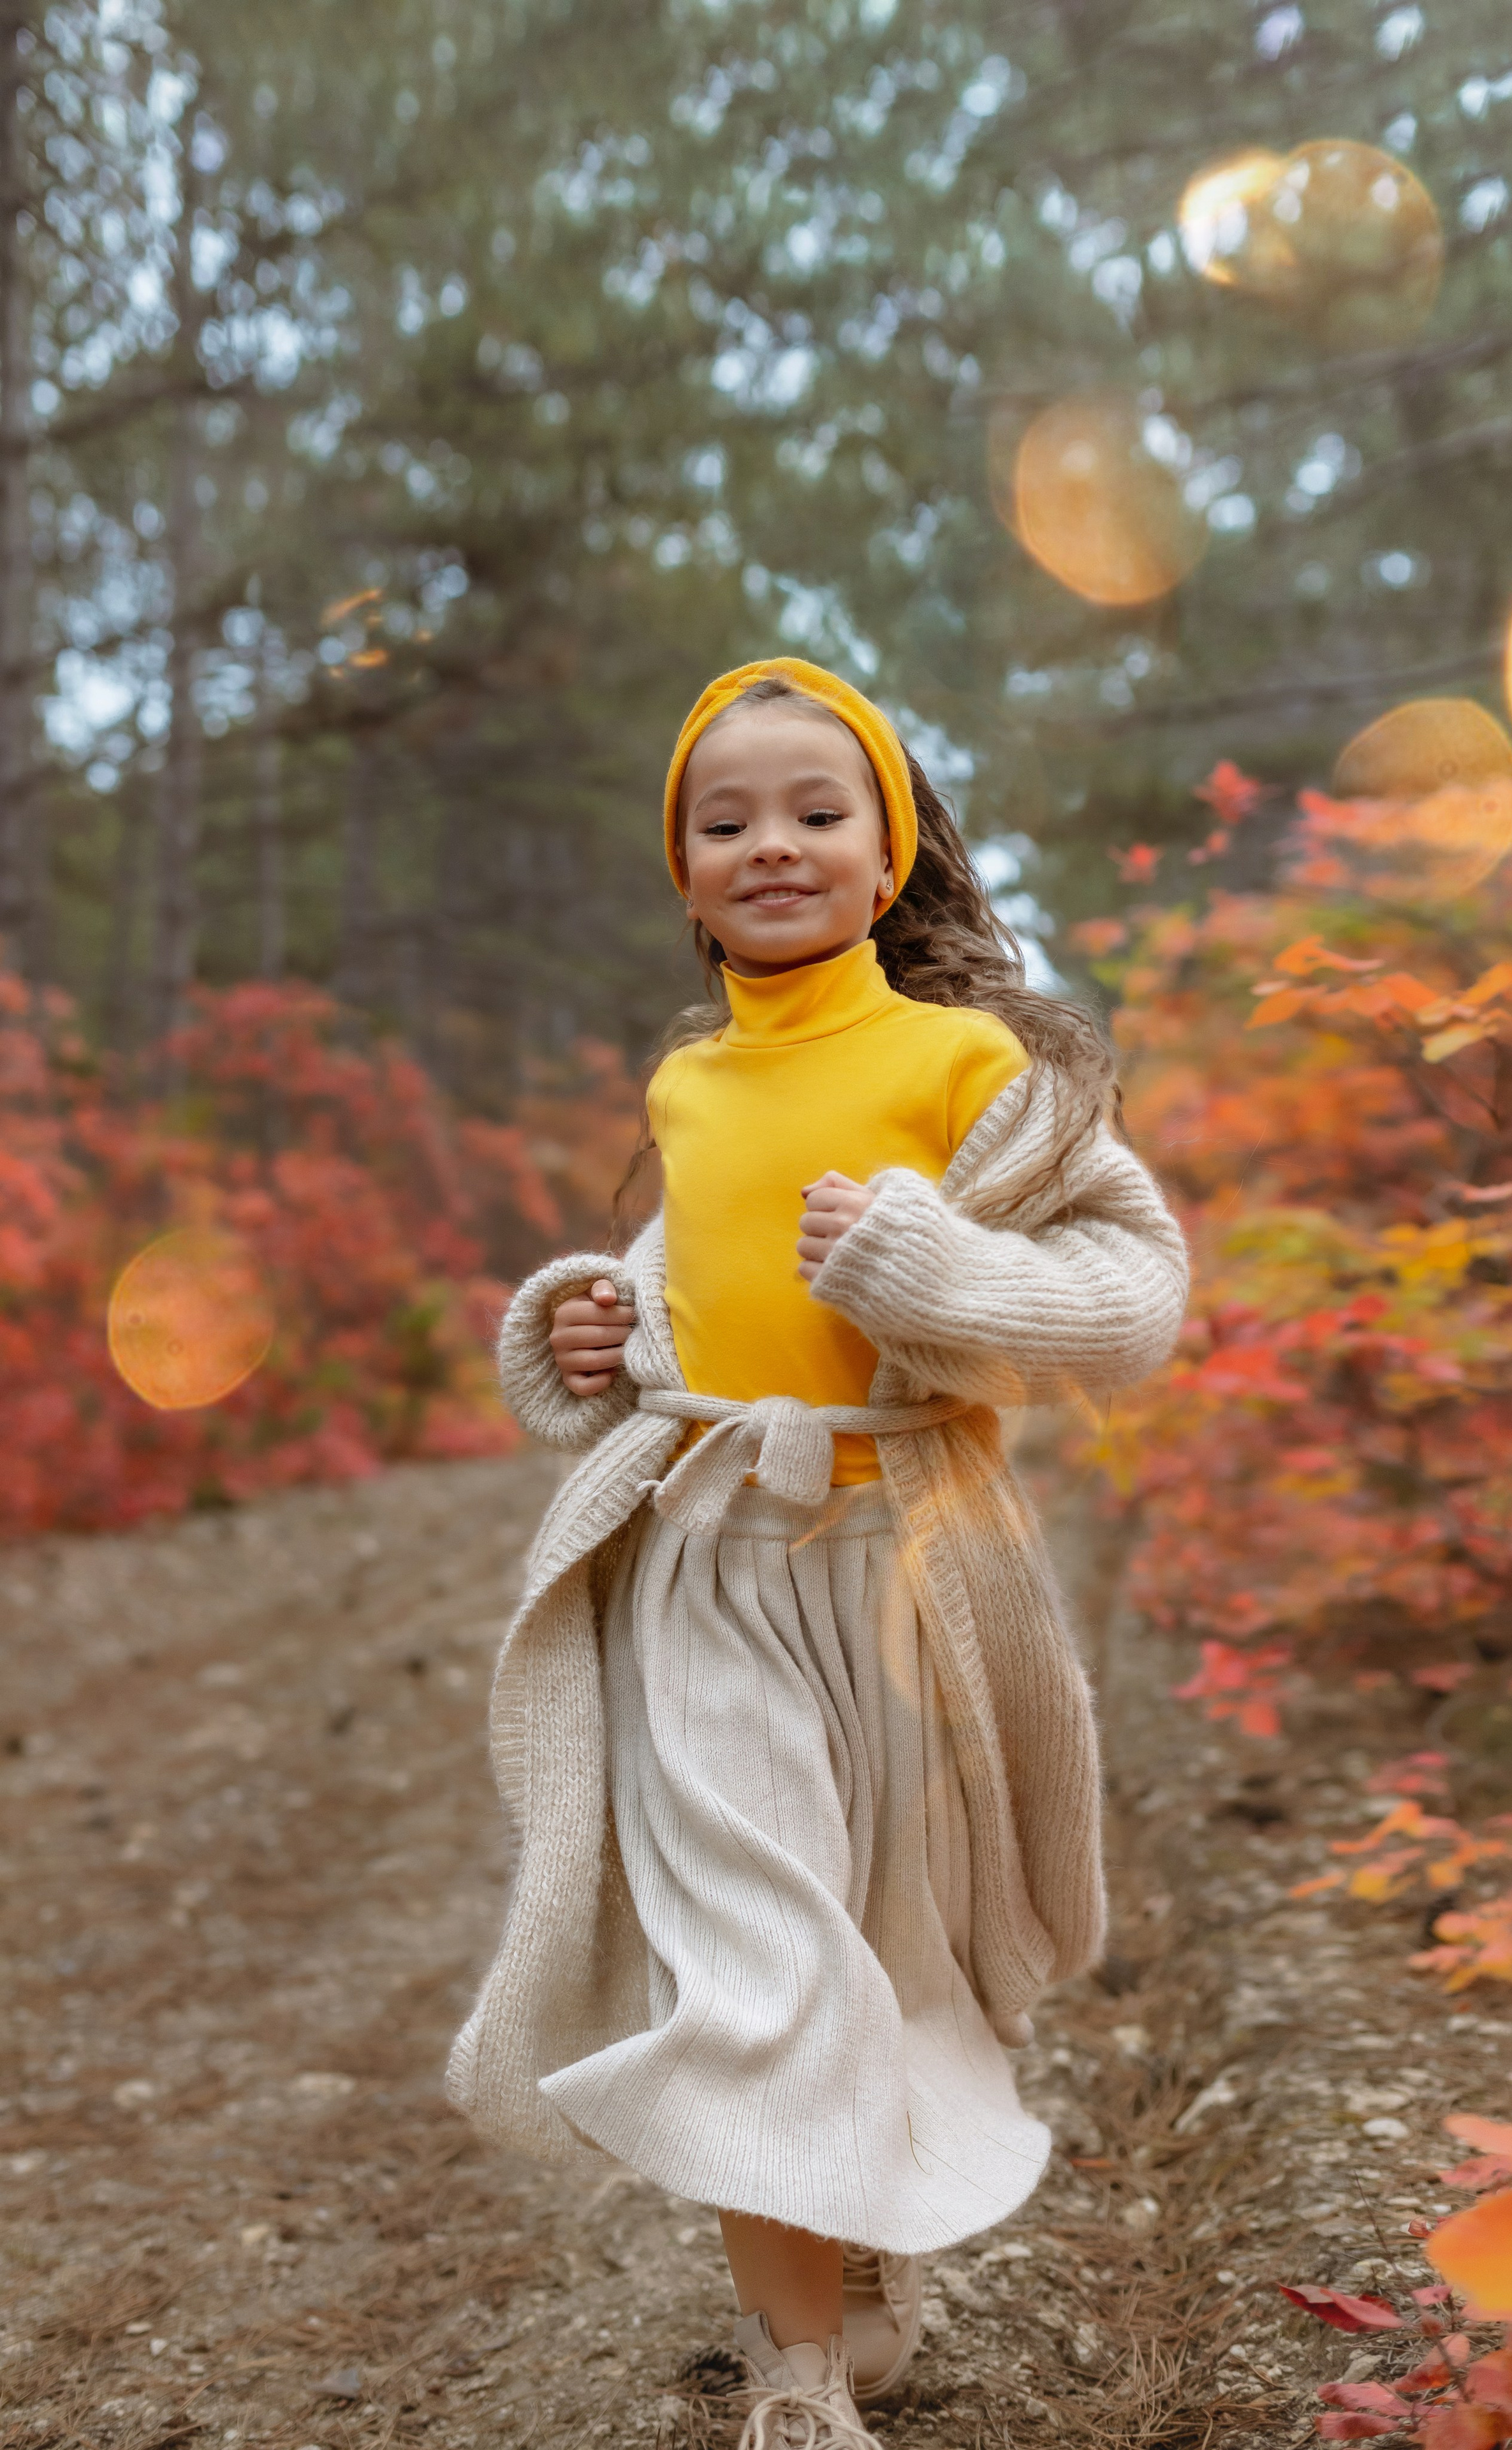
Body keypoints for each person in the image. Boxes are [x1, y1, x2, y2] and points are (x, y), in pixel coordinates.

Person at [447, 656, 1188, 2449]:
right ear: (686, 880)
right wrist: (601, 1333)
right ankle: (792, 2380)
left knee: (889, 1948)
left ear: (889, 854)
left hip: (915, 1572)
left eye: (814, 809)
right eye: (726, 820)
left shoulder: (975, 1065)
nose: (770, 841)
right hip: (711, 1565)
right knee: (754, 1959)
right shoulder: (691, 1084)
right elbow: (695, 1301)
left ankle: (855, 2241)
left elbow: (1131, 1302)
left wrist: (923, 1275)